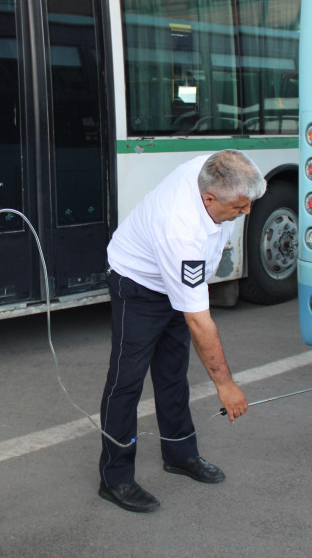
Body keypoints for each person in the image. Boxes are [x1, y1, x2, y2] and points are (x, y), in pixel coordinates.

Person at [97, 150, 265, 513]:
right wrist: (226, 385)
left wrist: (237, 205)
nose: (247, 213)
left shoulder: (219, 169)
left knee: (172, 372)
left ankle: (180, 454)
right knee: (126, 379)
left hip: (177, 277)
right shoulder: (180, 229)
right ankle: (114, 478)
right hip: (138, 282)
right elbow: (199, 320)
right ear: (209, 198)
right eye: (239, 207)